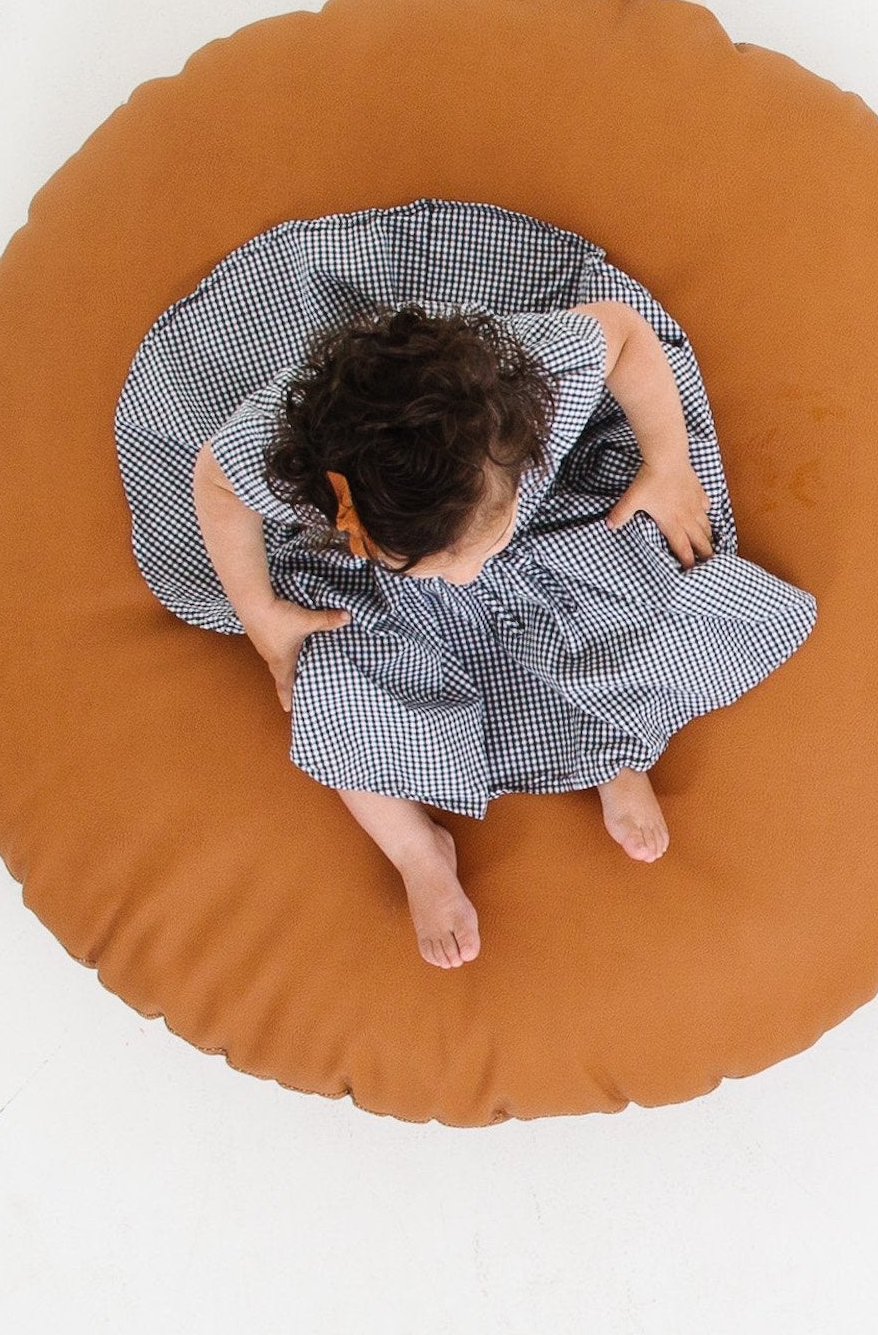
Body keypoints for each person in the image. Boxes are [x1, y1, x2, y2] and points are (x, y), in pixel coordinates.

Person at [114, 198, 817, 971]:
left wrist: (667, 465)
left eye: (477, 547)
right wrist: (265, 617)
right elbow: (215, 479)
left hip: (556, 523)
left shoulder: (521, 391)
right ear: (347, 512)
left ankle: (618, 757)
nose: (469, 577)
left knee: (628, 596)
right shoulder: (290, 455)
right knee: (331, 697)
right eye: (443, 562)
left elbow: (620, 332)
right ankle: (417, 851)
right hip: (362, 587)